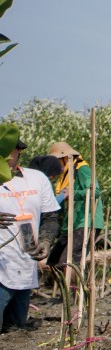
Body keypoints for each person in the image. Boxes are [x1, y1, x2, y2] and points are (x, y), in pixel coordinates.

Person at [0, 133, 60, 332]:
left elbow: (50, 216)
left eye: (11, 150)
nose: (7, 155)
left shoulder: (37, 179)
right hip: (1, 265)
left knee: (16, 330)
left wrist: (45, 241)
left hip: (26, 264)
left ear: (19, 151)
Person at [47, 141, 105, 267]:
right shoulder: (67, 176)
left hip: (86, 221)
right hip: (72, 224)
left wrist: (71, 193)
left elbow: (94, 192)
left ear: (64, 158)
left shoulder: (83, 169)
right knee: (53, 261)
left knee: (68, 262)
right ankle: (63, 286)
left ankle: (73, 287)